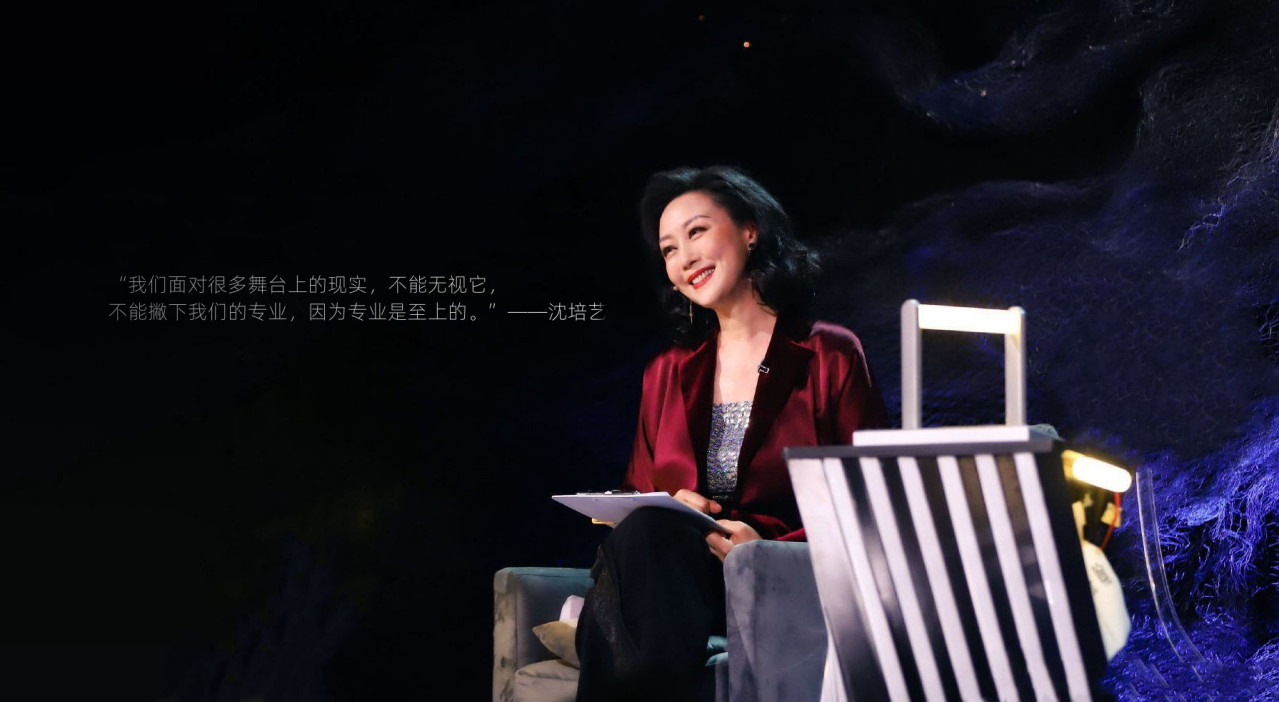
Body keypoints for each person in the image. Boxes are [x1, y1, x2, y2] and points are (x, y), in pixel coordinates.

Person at [574, 165, 887, 702]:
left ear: (750, 230)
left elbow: (869, 500)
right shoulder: (667, 372)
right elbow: (636, 497)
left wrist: (766, 550)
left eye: (696, 232)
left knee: (627, 603)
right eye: (669, 250)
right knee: (648, 530)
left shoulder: (828, 354)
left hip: (782, 579)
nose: (684, 259)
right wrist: (672, 507)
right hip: (675, 585)